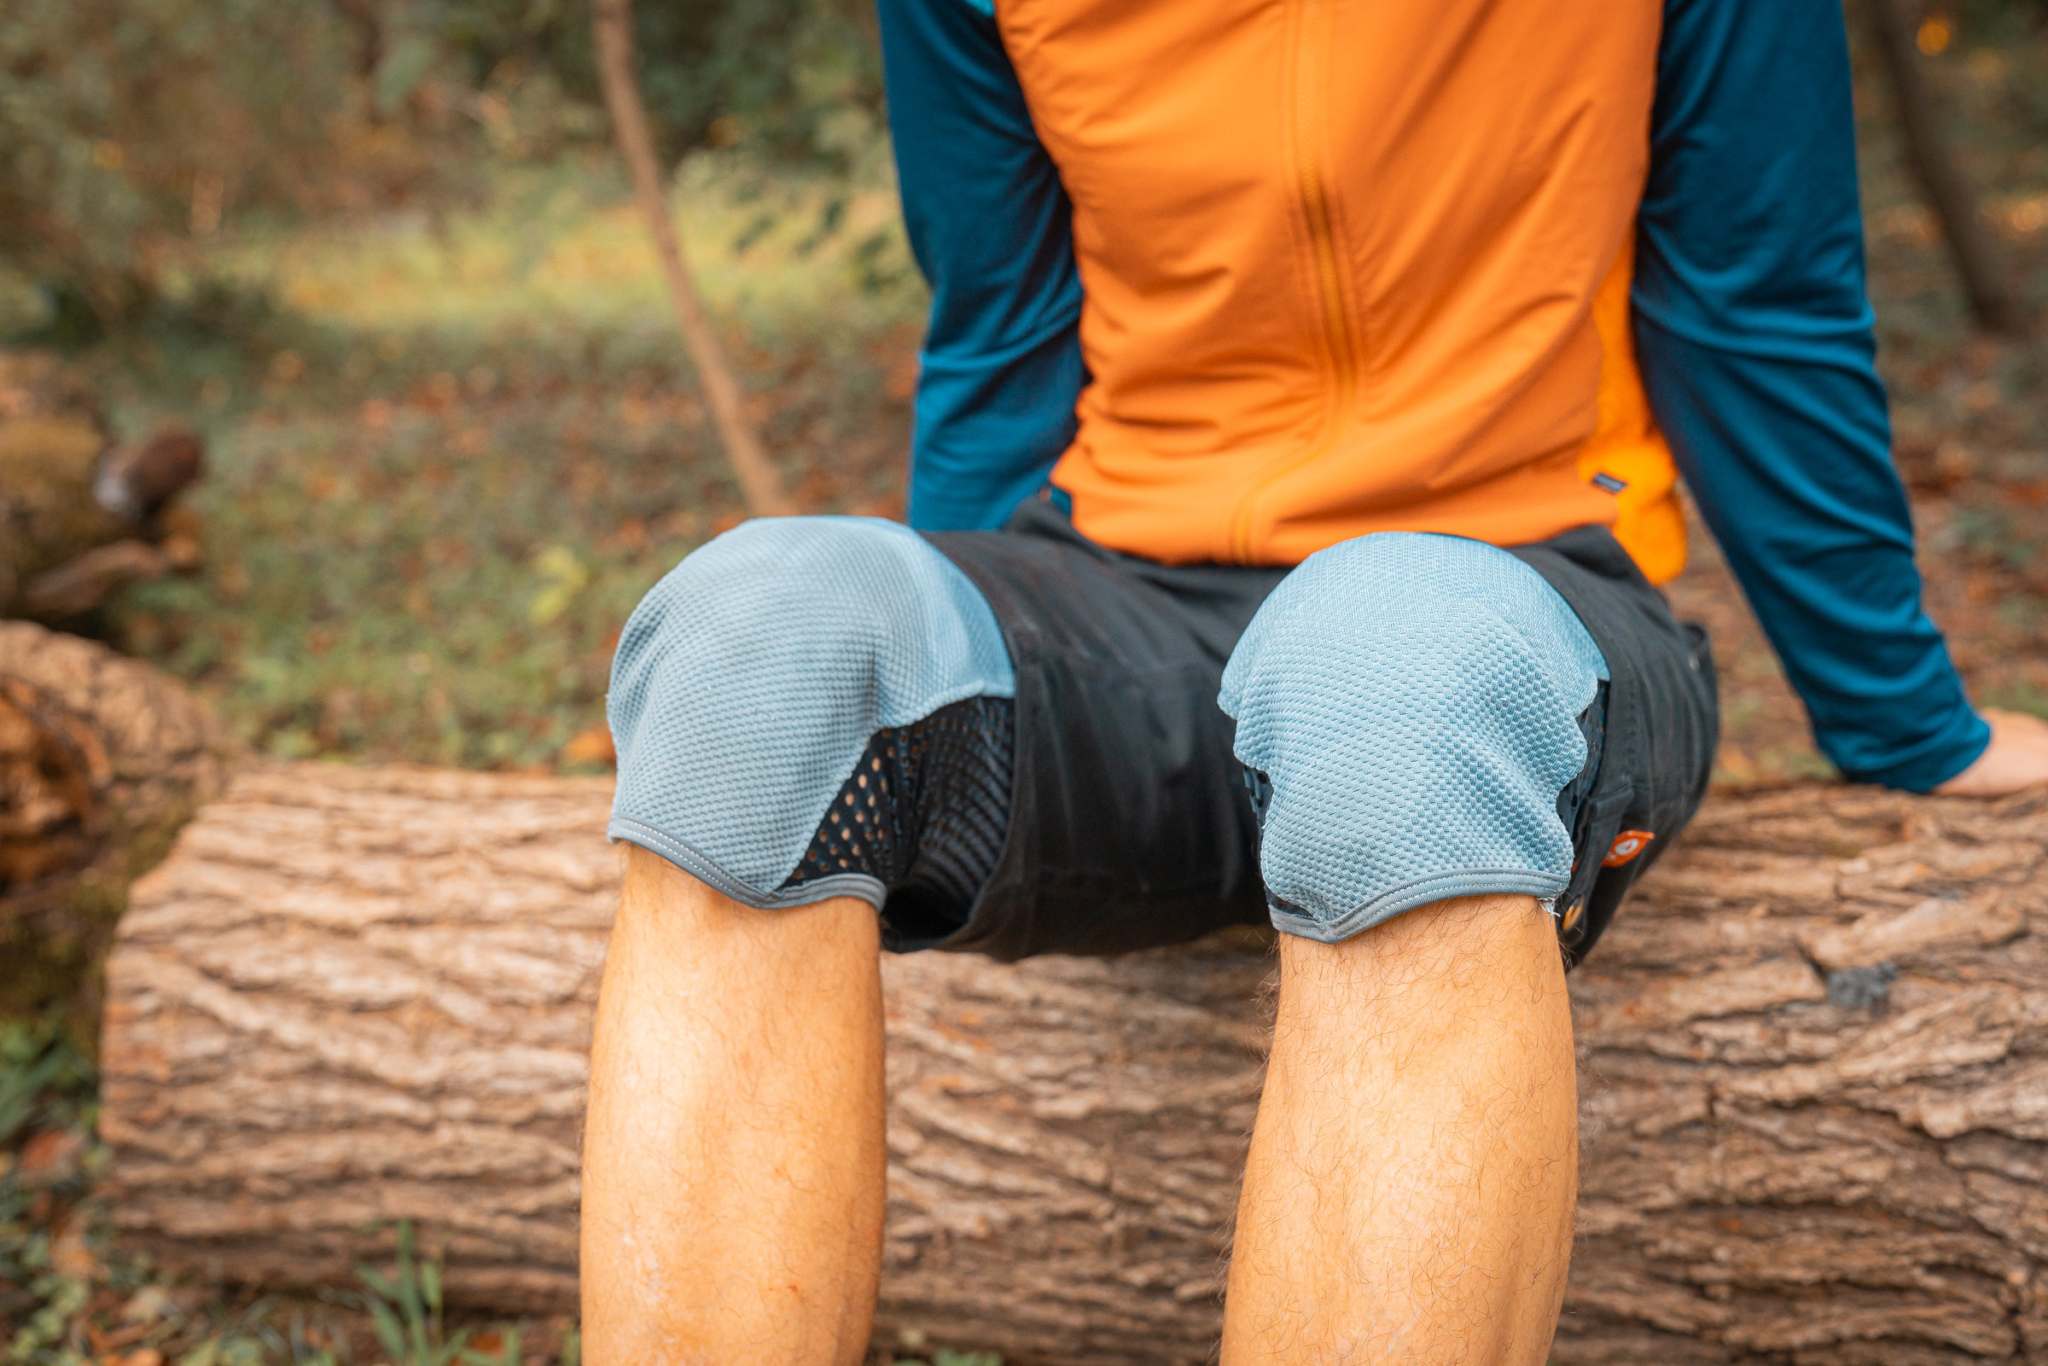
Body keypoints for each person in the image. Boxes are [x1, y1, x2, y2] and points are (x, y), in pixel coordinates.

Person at [579, 0, 2048, 1358]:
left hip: (1514, 587)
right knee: (759, 635)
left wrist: (1903, 719)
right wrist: (925, 744)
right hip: (1130, 597)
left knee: (1393, 660)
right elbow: (1002, 324)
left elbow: (1758, 299)